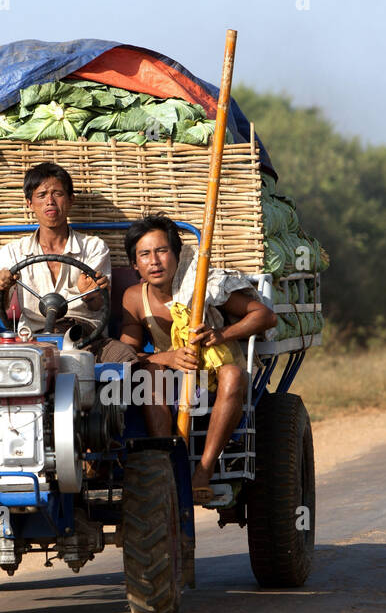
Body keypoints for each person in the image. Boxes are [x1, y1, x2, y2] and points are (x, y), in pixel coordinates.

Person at [117, 214, 276, 501]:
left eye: (162, 251)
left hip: (210, 375)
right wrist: (167, 358)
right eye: (144, 254)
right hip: (171, 379)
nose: (154, 261)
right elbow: (127, 355)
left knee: (234, 374)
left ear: (177, 256)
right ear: (134, 264)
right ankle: (166, 467)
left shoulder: (200, 286)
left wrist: (221, 334)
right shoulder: (132, 298)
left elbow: (264, 315)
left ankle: (204, 469)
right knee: (148, 372)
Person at [0, 162, 138, 362]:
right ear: (29, 203)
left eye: (57, 193)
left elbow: (98, 306)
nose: (50, 201)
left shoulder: (94, 247)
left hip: (85, 338)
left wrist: (90, 294)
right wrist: (2, 288)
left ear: (70, 200)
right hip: (33, 340)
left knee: (125, 358)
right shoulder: (12, 252)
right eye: (41, 195)